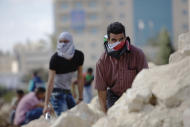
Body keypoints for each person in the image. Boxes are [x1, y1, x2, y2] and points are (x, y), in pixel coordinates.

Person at [95, 22, 148, 113]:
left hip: (134, 95)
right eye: (114, 40)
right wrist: (105, 113)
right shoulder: (102, 61)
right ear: (108, 40)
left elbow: (145, 80)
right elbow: (101, 90)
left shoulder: (138, 54)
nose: (118, 43)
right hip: (114, 96)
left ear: (125, 38)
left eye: (121, 39)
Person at [43, 32, 84, 116]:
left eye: (65, 41)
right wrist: (46, 104)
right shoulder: (55, 58)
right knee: (63, 118)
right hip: (56, 93)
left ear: (71, 41)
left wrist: (80, 98)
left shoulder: (79, 56)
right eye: (60, 41)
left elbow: (80, 78)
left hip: (68, 92)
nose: (63, 44)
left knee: (75, 116)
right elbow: (50, 82)